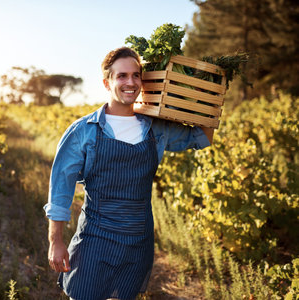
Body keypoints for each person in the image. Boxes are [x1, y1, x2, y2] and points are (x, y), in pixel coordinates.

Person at [44, 47, 214, 300]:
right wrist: (55, 241)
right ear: (107, 82)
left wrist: (204, 95)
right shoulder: (83, 131)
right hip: (96, 238)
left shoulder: (156, 127)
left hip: (138, 240)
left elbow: (202, 138)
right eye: (122, 75)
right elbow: (60, 190)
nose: (130, 82)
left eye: (136, 75)